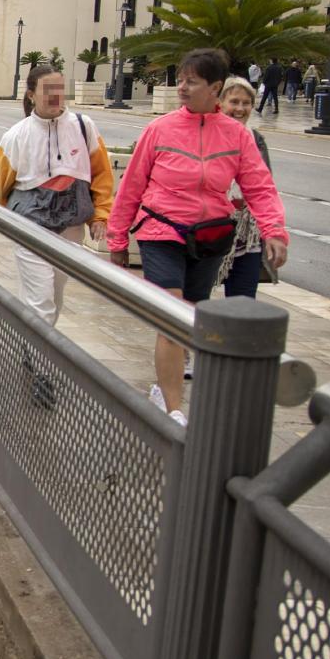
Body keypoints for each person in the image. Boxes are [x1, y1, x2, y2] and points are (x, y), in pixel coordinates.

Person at [106, 48, 289, 426]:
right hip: (161, 231)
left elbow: (259, 187)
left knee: (193, 316)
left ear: (215, 88)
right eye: (181, 80)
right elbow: (132, 186)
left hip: (209, 237)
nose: (182, 88)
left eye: (192, 81)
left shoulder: (237, 136)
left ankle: (166, 384)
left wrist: (274, 232)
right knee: (172, 314)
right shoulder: (160, 129)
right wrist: (118, 239)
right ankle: (173, 407)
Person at [0, 64, 116, 406]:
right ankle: (43, 371)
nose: (56, 97)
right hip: (31, 228)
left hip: (70, 227)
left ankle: (32, 345)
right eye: (47, 90)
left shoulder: (84, 128)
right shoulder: (17, 136)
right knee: (41, 299)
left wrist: (101, 215)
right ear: (31, 95)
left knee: (54, 296)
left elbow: (101, 175)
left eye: (60, 89)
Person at [215, 77, 275, 299]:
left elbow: (265, 187)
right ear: (220, 102)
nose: (240, 108)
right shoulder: (208, 133)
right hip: (210, 225)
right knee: (193, 300)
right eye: (234, 102)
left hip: (246, 231)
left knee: (242, 300)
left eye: (246, 103)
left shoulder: (256, 139)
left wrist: (272, 230)